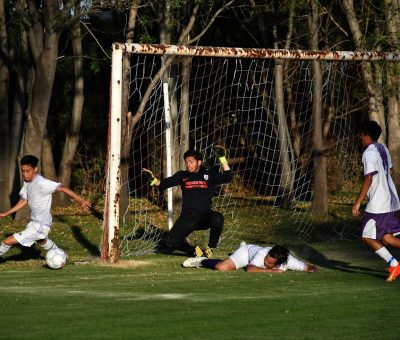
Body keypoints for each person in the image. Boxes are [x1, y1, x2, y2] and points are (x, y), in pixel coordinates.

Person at [143, 147, 232, 257]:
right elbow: (163, 184)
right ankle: (197, 252)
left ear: (199, 162)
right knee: (171, 241)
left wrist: (222, 158)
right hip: (187, 217)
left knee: (218, 218)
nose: (188, 165)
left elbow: (228, 177)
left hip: (204, 216)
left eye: (191, 162)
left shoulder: (208, 174)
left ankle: (210, 250)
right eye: (186, 162)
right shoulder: (182, 175)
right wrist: (153, 180)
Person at [0, 155, 91, 260]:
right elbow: (25, 200)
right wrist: (7, 213)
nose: (25, 174)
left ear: (35, 169)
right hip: (35, 223)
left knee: (7, 241)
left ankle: (61, 256)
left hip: (40, 225)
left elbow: (62, 188)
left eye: (28, 171)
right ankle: (62, 256)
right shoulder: (27, 182)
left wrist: (81, 201)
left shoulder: (42, 183)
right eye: (23, 171)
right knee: (42, 241)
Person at [352, 120, 400, 282]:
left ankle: (394, 264)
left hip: (379, 204)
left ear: (367, 136)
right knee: (387, 239)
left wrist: (358, 202)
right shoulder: (383, 148)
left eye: (361, 135)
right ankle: (394, 265)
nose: (360, 138)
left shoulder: (368, 154)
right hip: (392, 201)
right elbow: (391, 170)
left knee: (366, 236)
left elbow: (368, 179)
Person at [182, 242, 317, 273]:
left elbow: (307, 267)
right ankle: (203, 260)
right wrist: (270, 271)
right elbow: (250, 269)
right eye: (266, 259)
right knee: (221, 267)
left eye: (269, 263)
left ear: (279, 263)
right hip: (246, 253)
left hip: (252, 255)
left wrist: (312, 269)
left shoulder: (289, 261)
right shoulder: (263, 254)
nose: (266, 261)